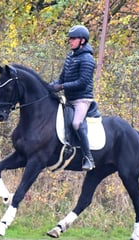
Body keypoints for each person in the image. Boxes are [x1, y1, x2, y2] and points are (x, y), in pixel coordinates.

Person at [50, 24, 96, 171]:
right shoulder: (70, 57)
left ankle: (88, 157)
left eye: (73, 39)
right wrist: (48, 86)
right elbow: (61, 79)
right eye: (70, 39)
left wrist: (62, 87)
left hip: (82, 99)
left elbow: (82, 83)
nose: (70, 41)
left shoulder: (87, 59)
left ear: (82, 41)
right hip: (68, 98)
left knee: (76, 123)